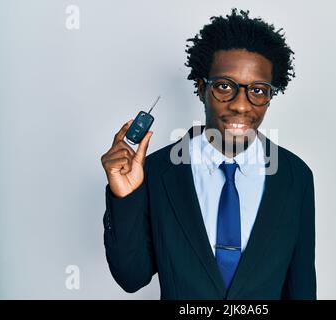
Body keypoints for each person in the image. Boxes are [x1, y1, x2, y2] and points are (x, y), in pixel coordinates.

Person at [100, 9, 316, 300]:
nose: (241, 105)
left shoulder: (295, 177)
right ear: (202, 88)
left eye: (258, 90)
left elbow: (301, 287)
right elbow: (131, 277)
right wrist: (124, 197)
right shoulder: (157, 171)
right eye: (225, 87)